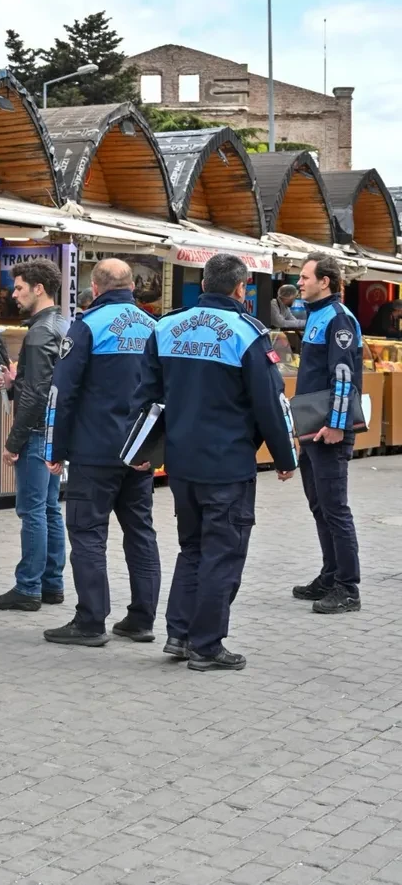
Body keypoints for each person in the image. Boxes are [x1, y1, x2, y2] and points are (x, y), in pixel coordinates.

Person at [132, 253, 298, 672]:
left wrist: (143, 454)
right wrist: (285, 456)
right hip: (227, 463)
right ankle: (206, 645)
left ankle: (180, 632)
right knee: (223, 553)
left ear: (204, 282)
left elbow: (147, 397)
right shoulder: (247, 333)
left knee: (193, 548)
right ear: (241, 288)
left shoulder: (166, 326)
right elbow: (270, 403)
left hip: (182, 463)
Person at [42, 259, 160, 647]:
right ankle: (142, 619)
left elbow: (63, 390)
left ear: (96, 285)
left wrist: (54, 448)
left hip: (95, 450)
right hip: (138, 452)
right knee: (140, 532)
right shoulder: (153, 327)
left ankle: (91, 620)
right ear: (131, 285)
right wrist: (154, 449)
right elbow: (164, 394)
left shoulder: (88, 325)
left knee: (88, 533)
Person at [0, 259, 68, 613]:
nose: (14, 294)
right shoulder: (62, 325)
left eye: (19, 287)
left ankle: (29, 586)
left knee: (32, 510)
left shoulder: (38, 333)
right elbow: (45, 384)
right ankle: (52, 582)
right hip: (53, 430)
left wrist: (12, 442)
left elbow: (37, 393)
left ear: (39, 289)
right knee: (50, 509)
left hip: (37, 432)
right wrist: (14, 381)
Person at [292, 254, 363, 614]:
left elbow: (343, 376)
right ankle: (331, 574)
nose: (299, 282)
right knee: (320, 506)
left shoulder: (338, 319)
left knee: (335, 509)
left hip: (328, 430)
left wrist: (337, 424)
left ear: (326, 281)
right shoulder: (316, 316)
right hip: (311, 429)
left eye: (305, 277)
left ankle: (348, 588)